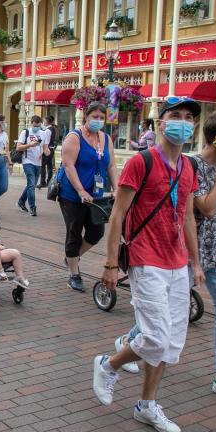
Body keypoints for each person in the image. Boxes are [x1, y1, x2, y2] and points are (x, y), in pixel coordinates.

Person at [114, 111, 216, 402]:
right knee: (158, 319)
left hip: (214, 252)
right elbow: (207, 208)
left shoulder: (208, 166)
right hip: (180, 253)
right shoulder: (192, 164)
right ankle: (128, 343)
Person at [93, 96, 205, 432]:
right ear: (160, 123)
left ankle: (146, 404)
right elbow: (118, 215)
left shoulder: (189, 167)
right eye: (175, 116)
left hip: (177, 262)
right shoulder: (141, 162)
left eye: (189, 117)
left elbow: (187, 216)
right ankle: (108, 365)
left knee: (171, 342)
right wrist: (111, 263)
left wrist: (195, 261)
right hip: (145, 257)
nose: (183, 122)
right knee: (156, 336)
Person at [57, 102, 120, 291]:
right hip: (72, 195)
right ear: (86, 117)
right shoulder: (74, 137)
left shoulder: (105, 138)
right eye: (95, 117)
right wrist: (80, 190)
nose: (98, 121)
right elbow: (69, 165)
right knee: (74, 232)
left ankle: (72, 256)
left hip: (97, 196)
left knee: (96, 232)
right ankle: (74, 274)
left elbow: (111, 165)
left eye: (102, 118)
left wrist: (117, 188)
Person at [16, 115, 44, 216]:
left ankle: (21, 201)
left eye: (38, 125)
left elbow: (44, 147)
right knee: (32, 185)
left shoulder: (42, 133)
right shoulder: (26, 132)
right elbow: (18, 147)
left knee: (30, 185)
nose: (36, 127)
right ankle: (33, 207)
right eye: (35, 125)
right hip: (27, 161)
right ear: (31, 123)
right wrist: (30, 145)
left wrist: (45, 152)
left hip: (38, 163)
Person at [37, 115, 58, 188]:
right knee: (49, 166)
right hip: (51, 149)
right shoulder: (52, 128)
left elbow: (45, 141)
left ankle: (43, 182)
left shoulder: (47, 130)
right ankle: (49, 181)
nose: (43, 122)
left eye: (44, 121)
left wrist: (42, 151)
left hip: (47, 149)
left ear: (47, 121)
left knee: (43, 166)